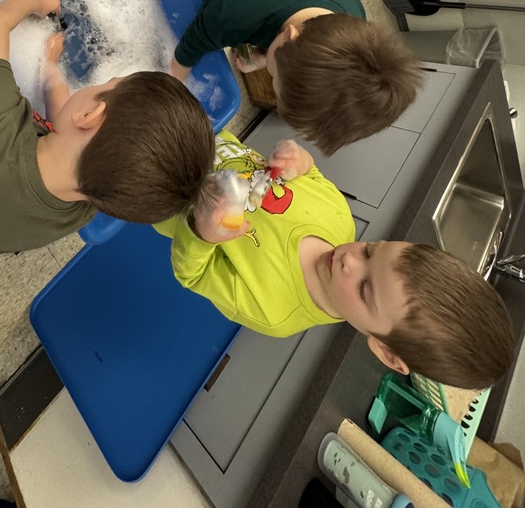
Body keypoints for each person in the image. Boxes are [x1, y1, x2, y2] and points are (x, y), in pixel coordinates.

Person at [155, 134, 513, 391]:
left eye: (364, 288)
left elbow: (192, 273)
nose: (349, 258)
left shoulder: (273, 310)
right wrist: (302, 162)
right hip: (203, 136)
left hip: (160, 190)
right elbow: (310, 177)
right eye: (371, 250)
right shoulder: (339, 218)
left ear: (386, 353)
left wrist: (202, 233)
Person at [0, 0, 215, 259]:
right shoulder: (88, 199)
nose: (103, 82)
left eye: (107, 84)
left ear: (91, 115)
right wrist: (49, 69)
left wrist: (38, 0)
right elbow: (66, 128)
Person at [169, 0, 423, 155]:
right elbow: (197, 37)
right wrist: (171, 81)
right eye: (276, 78)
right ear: (289, 36)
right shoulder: (240, 10)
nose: (271, 77)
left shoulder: (351, 15)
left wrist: (261, 57)